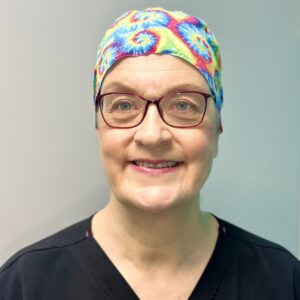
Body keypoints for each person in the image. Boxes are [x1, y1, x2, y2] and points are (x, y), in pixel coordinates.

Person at [0, 7, 299, 300]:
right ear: (98, 128)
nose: (152, 135)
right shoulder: (23, 285)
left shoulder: (284, 281)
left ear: (218, 129)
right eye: (124, 105)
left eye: (183, 105)